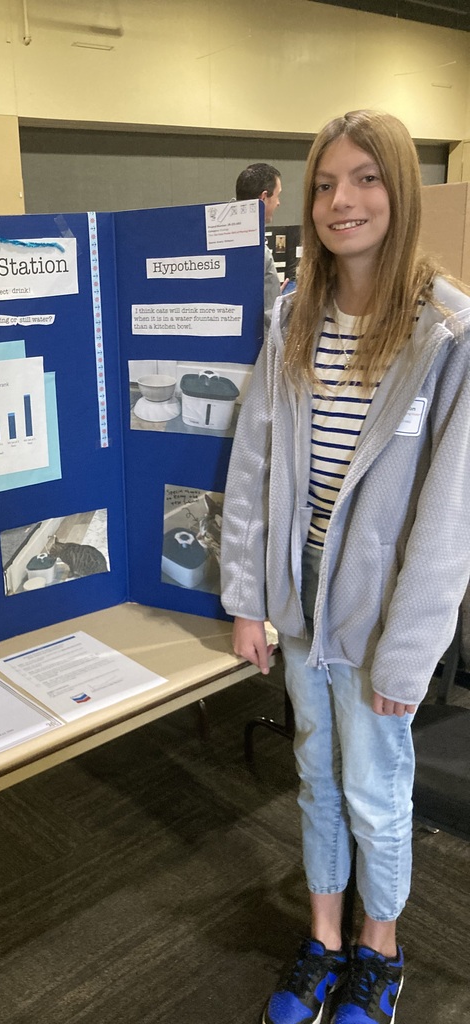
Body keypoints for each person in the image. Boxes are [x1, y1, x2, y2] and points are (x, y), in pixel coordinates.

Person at [221, 109, 470, 1024]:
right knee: (315, 772)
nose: (340, 201)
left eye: (364, 179)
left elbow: (452, 518)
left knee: (376, 784)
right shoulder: (292, 318)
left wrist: (408, 657)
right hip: (299, 600)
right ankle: (323, 937)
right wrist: (249, 599)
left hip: (379, 610)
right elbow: (252, 469)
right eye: (325, 184)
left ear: (399, 191)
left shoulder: (445, 333)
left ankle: (382, 951)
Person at [235, 162, 284, 332]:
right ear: (263, 198)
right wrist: (281, 306)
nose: (278, 203)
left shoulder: (224, 239)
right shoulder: (256, 250)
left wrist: (273, 291)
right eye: (277, 196)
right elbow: (270, 320)